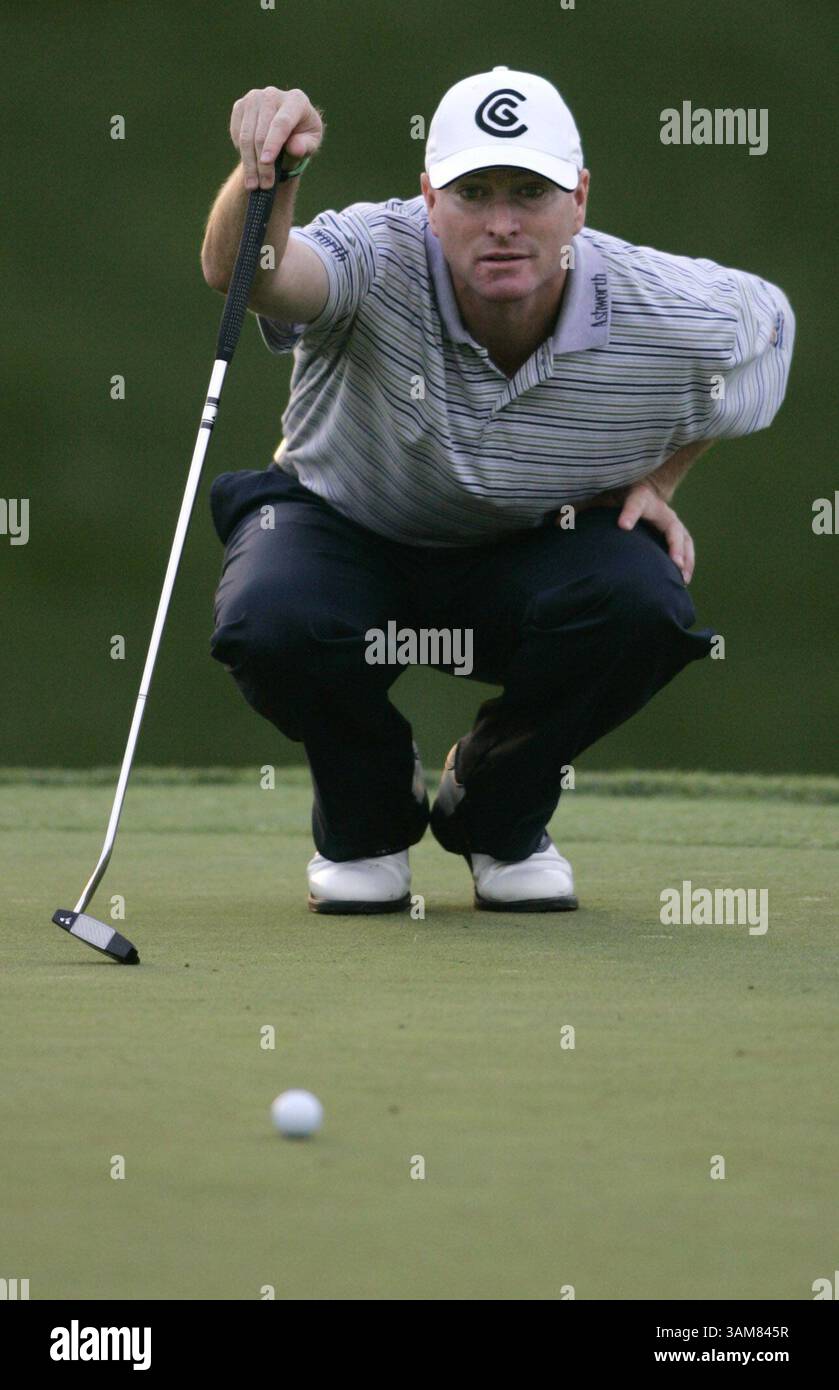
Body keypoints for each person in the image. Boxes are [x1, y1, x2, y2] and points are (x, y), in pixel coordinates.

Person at [201, 67, 794, 915]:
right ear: (428, 200)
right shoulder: (373, 252)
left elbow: (770, 332)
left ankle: (498, 815)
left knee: (640, 598)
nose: (503, 224)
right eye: (472, 192)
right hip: (343, 532)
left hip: (526, 553)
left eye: (531, 192)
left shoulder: (666, 305)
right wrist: (271, 177)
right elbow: (249, 276)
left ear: (579, 199)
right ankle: (367, 820)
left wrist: (659, 476)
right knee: (272, 619)